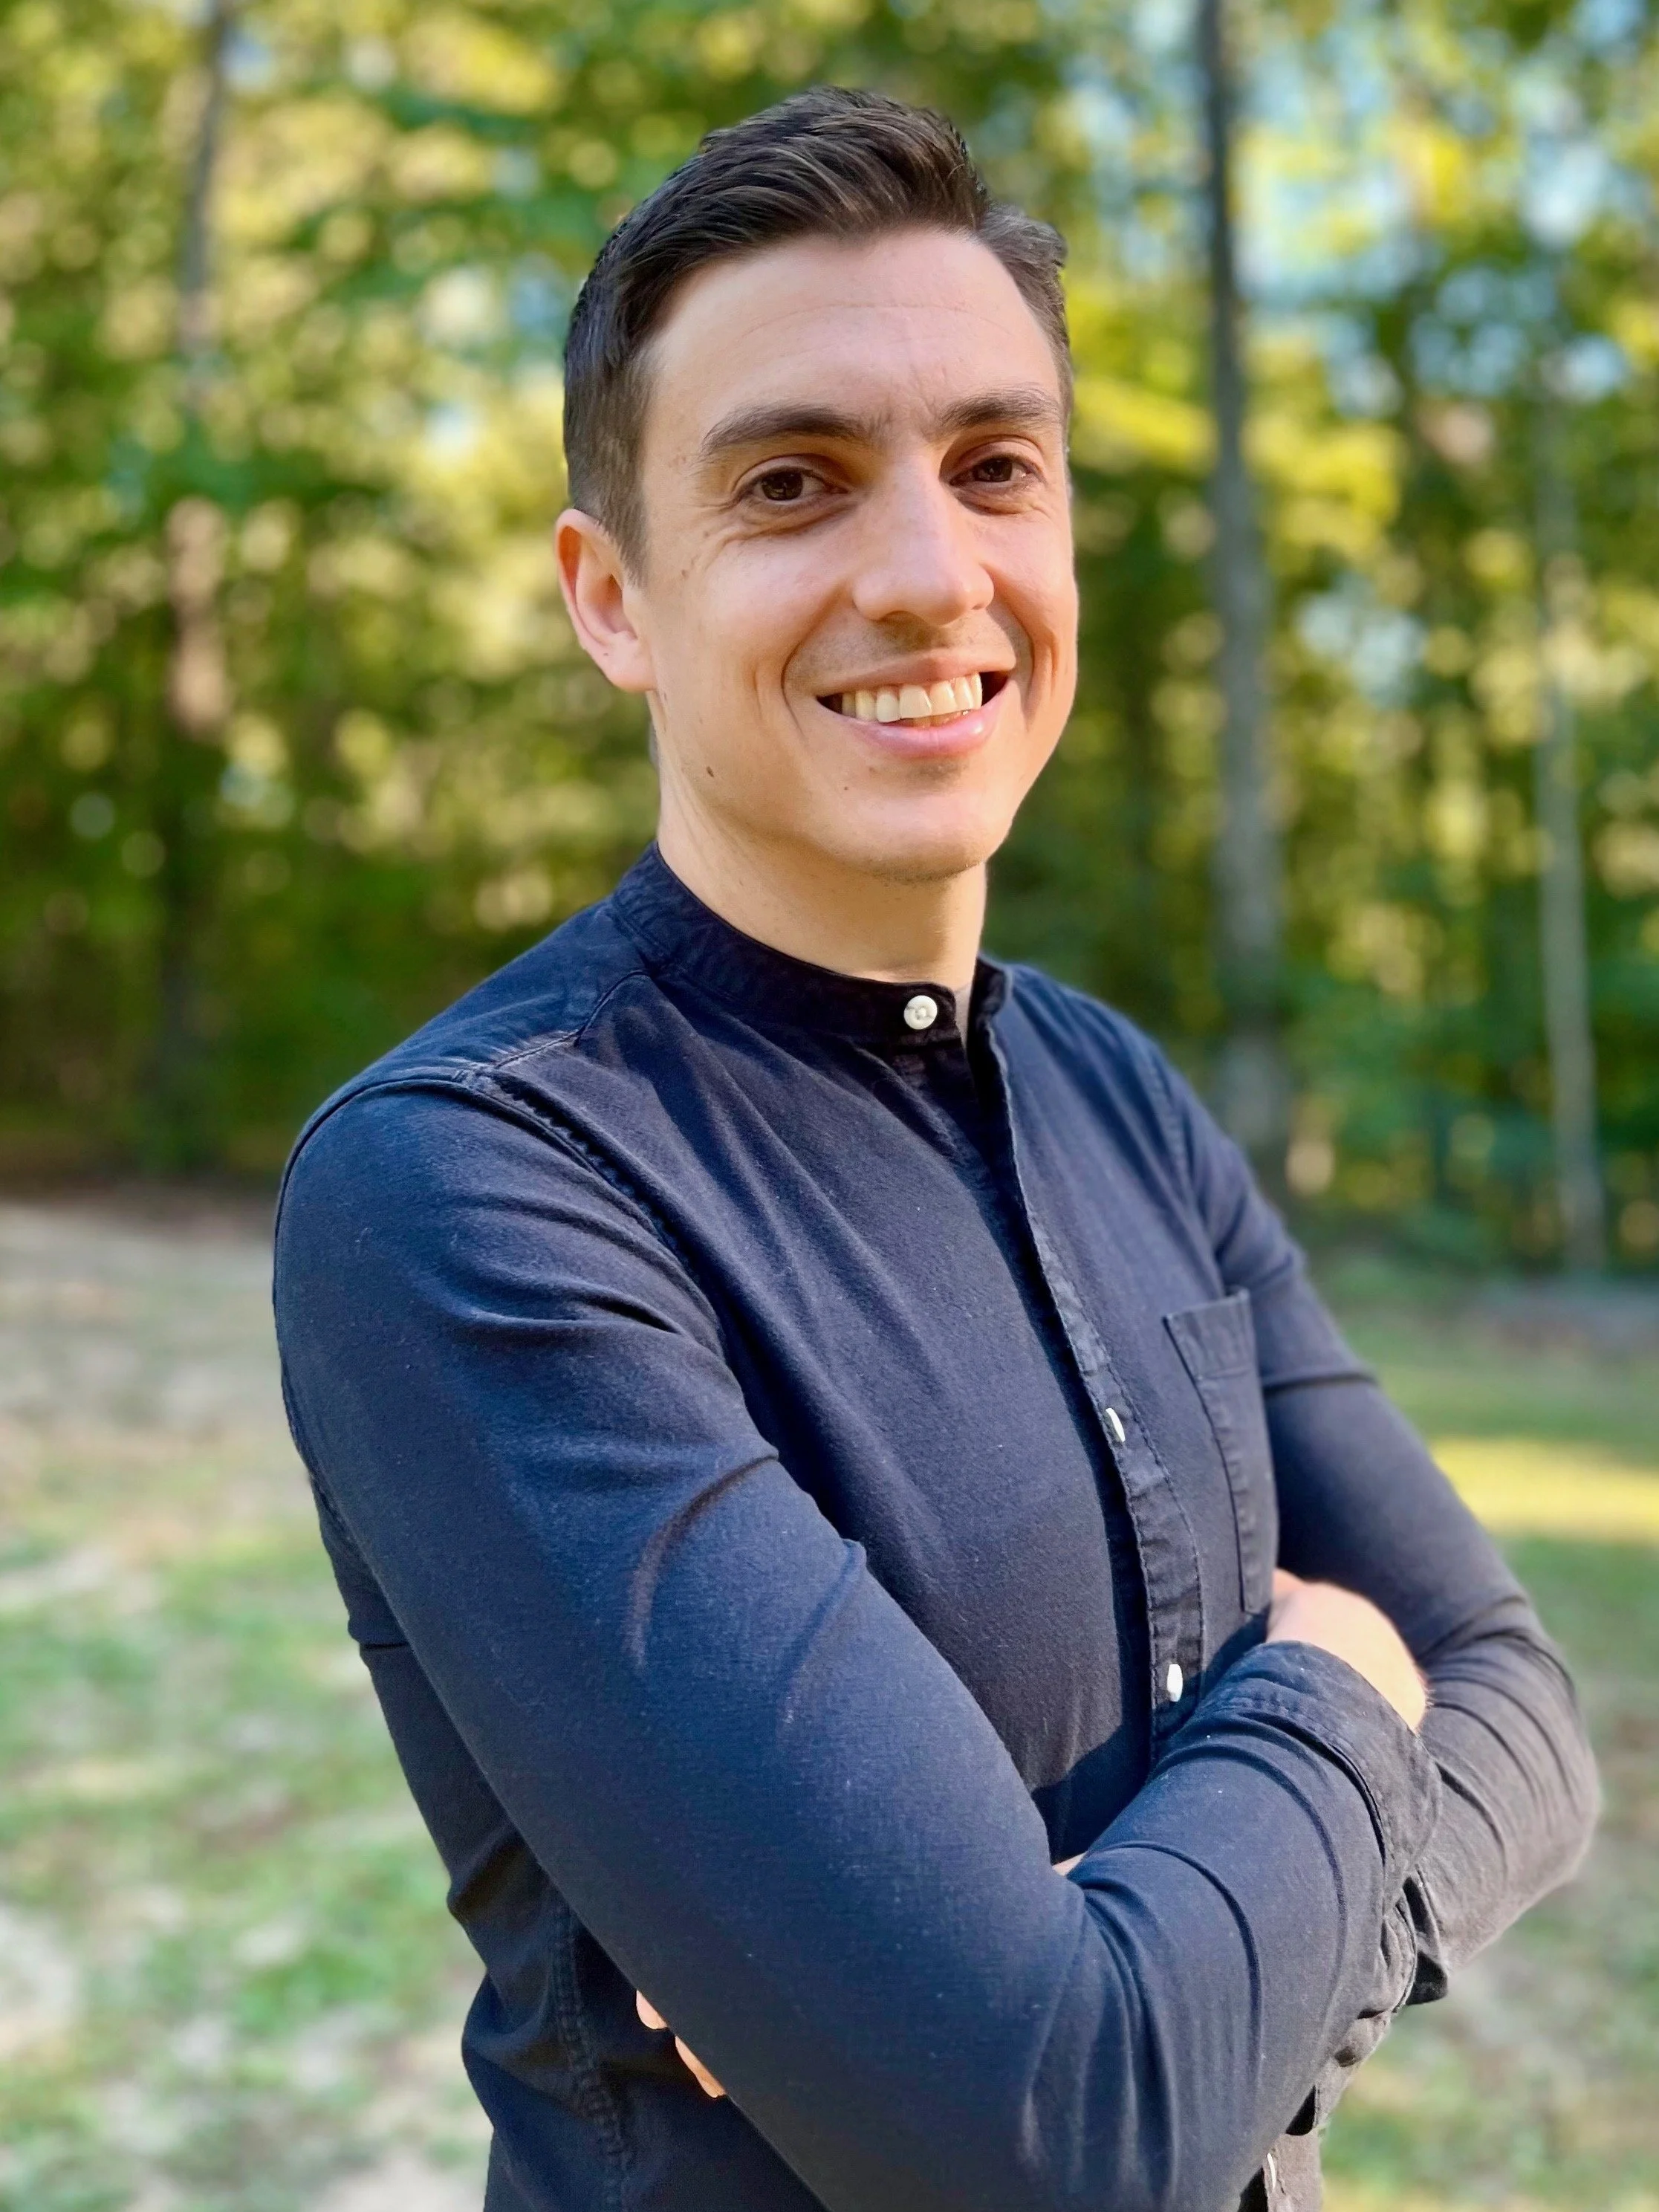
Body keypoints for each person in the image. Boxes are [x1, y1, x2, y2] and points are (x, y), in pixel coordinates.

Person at [273, 87, 1597, 2212]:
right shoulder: (476, 1188)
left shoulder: (1121, 1095)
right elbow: (1041, 2136)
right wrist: (1340, 1684)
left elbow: (1525, 1708)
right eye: (792, 483)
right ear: (613, 598)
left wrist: (1173, 1986)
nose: (925, 571)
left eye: (996, 468)